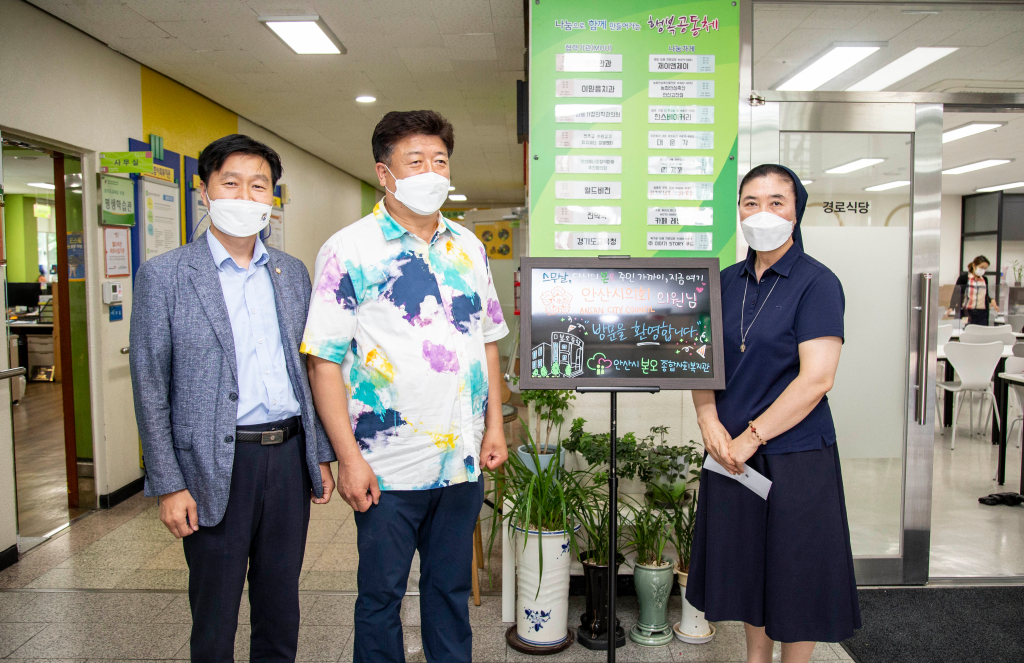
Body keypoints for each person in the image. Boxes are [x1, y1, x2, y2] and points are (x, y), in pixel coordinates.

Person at [301, 110, 509, 663]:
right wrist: (348, 458)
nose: (431, 171)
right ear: (384, 174)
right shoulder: (349, 249)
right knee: (380, 598)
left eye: (439, 160)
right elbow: (323, 360)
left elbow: (487, 339)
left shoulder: (468, 245)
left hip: (461, 462)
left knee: (450, 594)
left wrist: (492, 427)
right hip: (385, 468)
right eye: (414, 160)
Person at [129, 134, 336, 663]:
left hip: (288, 458)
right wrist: (169, 483)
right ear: (205, 191)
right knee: (215, 615)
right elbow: (150, 385)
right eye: (231, 183)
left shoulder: (292, 274)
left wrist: (319, 454)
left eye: (259, 185)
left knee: (280, 606)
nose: (245, 196)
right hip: (214, 464)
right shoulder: (166, 276)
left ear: (272, 198)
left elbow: (307, 369)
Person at [686, 164, 860, 663]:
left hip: (794, 455)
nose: (763, 213)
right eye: (751, 203)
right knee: (747, 569)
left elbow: (817, 378)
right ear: (738, 212)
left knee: (795, 575)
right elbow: (700, 364)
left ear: (796, 211)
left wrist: (751, 436)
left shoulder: (817, 283)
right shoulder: (720, 283)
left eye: (776, 202)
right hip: (730, 454)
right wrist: (709, 423)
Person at [949, 255, 999, 326]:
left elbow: (985, 295)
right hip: (967, 312)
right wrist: (951, 307)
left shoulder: (984, 279)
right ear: (974, 265)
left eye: (985, 268)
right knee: (967, 332)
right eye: (981, 267)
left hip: (982, 313)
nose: (983, 270)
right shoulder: (964, 278)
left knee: (981, 334)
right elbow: (956, 293)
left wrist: (991, 300)